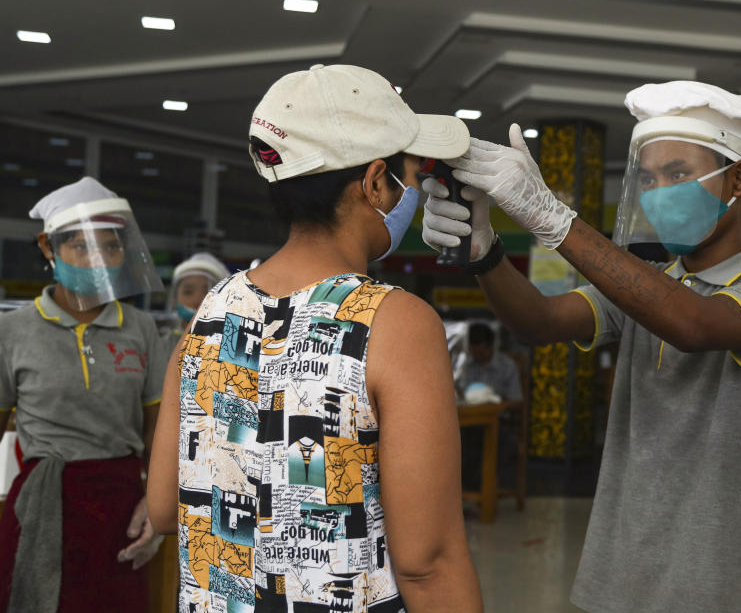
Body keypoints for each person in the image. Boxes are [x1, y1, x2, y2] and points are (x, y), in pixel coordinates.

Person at [422, 81, 741, 612]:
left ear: (739, 177)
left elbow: (694, 325)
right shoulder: (646, 283)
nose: (660, 192)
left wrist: (553, 219)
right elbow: (539, 322)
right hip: (613, 575)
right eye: (650, 178)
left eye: (678, 174)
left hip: (713, 583)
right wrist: (485, 252)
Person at [147, 64, 483, 613]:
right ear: (375, 182)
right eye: (408, 178)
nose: (413, 193)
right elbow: (429, 560)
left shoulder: (209, 312)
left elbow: (164, 508)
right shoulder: (396, 322)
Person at [0, 177, 166, 612]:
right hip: (42, 507)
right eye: (83, 248)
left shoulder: (140, 329)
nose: (100, 260)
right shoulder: (12, 331)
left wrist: (156, 503)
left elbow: (158, 433)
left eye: (111, 248)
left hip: (120, 510)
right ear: (48, 247)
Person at [159, 252, 230, 357]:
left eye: (207, 293)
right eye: (188, 292)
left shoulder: (231, 349)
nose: (197, 300)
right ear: (174, 299)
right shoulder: (159, 346)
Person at [458, 323, 523, 403]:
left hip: (498, 414)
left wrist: (493, 400)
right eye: (473, 353)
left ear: (491, 346)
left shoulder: (507, 366)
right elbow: (458, 392)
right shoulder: (464, 364)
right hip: (468, 413)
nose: (477, 356)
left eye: (481, 353)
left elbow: (516, 400)